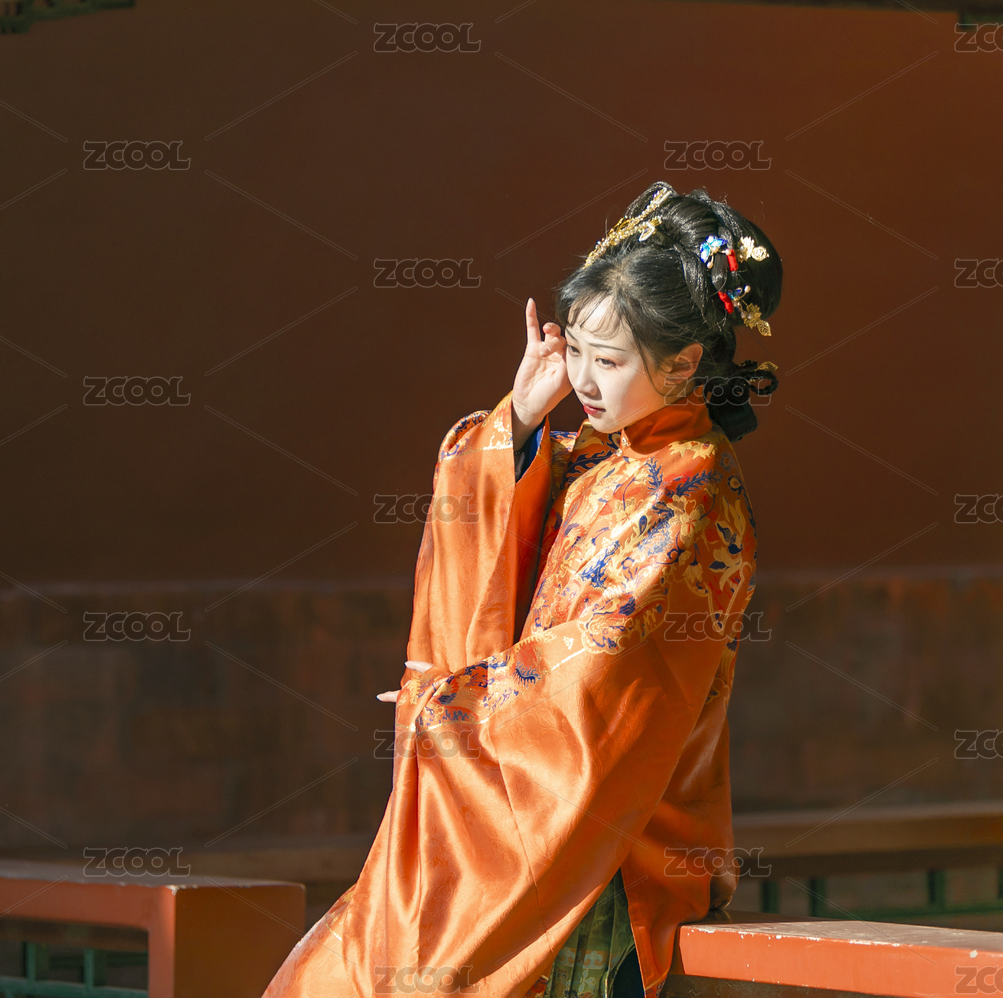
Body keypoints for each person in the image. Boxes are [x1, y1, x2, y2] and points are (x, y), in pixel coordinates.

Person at [263, 181, 783, 998]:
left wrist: (451, 704)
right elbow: (483, 502)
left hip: (606, 850)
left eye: (608, 361)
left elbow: (604, 676)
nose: (585, 379)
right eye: (576, 351)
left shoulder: (692, 493)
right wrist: (523, 418)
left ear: (684, 363)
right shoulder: (600, 453)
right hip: (547, 824)